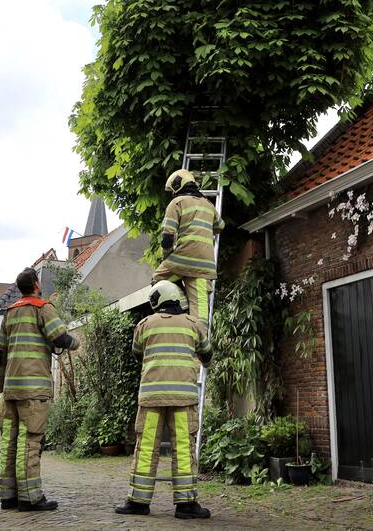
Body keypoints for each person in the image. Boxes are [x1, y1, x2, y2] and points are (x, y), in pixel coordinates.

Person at [114, 280, 212, 520]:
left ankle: (138, 501)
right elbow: (207, 354)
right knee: (183, 449)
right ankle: (186, 504)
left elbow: (138, 353)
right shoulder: (194, 325)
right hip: (182, 398)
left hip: (151, 398)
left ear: (156, 302)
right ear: (177, 298)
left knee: (146, 448)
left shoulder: (144, 325)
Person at [0, 267, 80, 513]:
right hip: (34, 391)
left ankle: (8, 497)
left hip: (12, 389)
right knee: (30, 442)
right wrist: (76, 343)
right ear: (35, 284)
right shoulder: (43, 308)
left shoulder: (9, 313)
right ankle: (30, 498)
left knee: (9, 442)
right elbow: (60, 338)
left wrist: (3, 386)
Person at [152, 169, 224, 323]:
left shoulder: (176, 203)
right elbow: (220, 226)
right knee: (201, 311)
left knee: (158, 280)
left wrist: (167, 257)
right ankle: (200, 340)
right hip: (204, 267)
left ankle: (179, 307)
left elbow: (167, 238)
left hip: (181, 260)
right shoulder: (209, 205)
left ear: (177, 186)